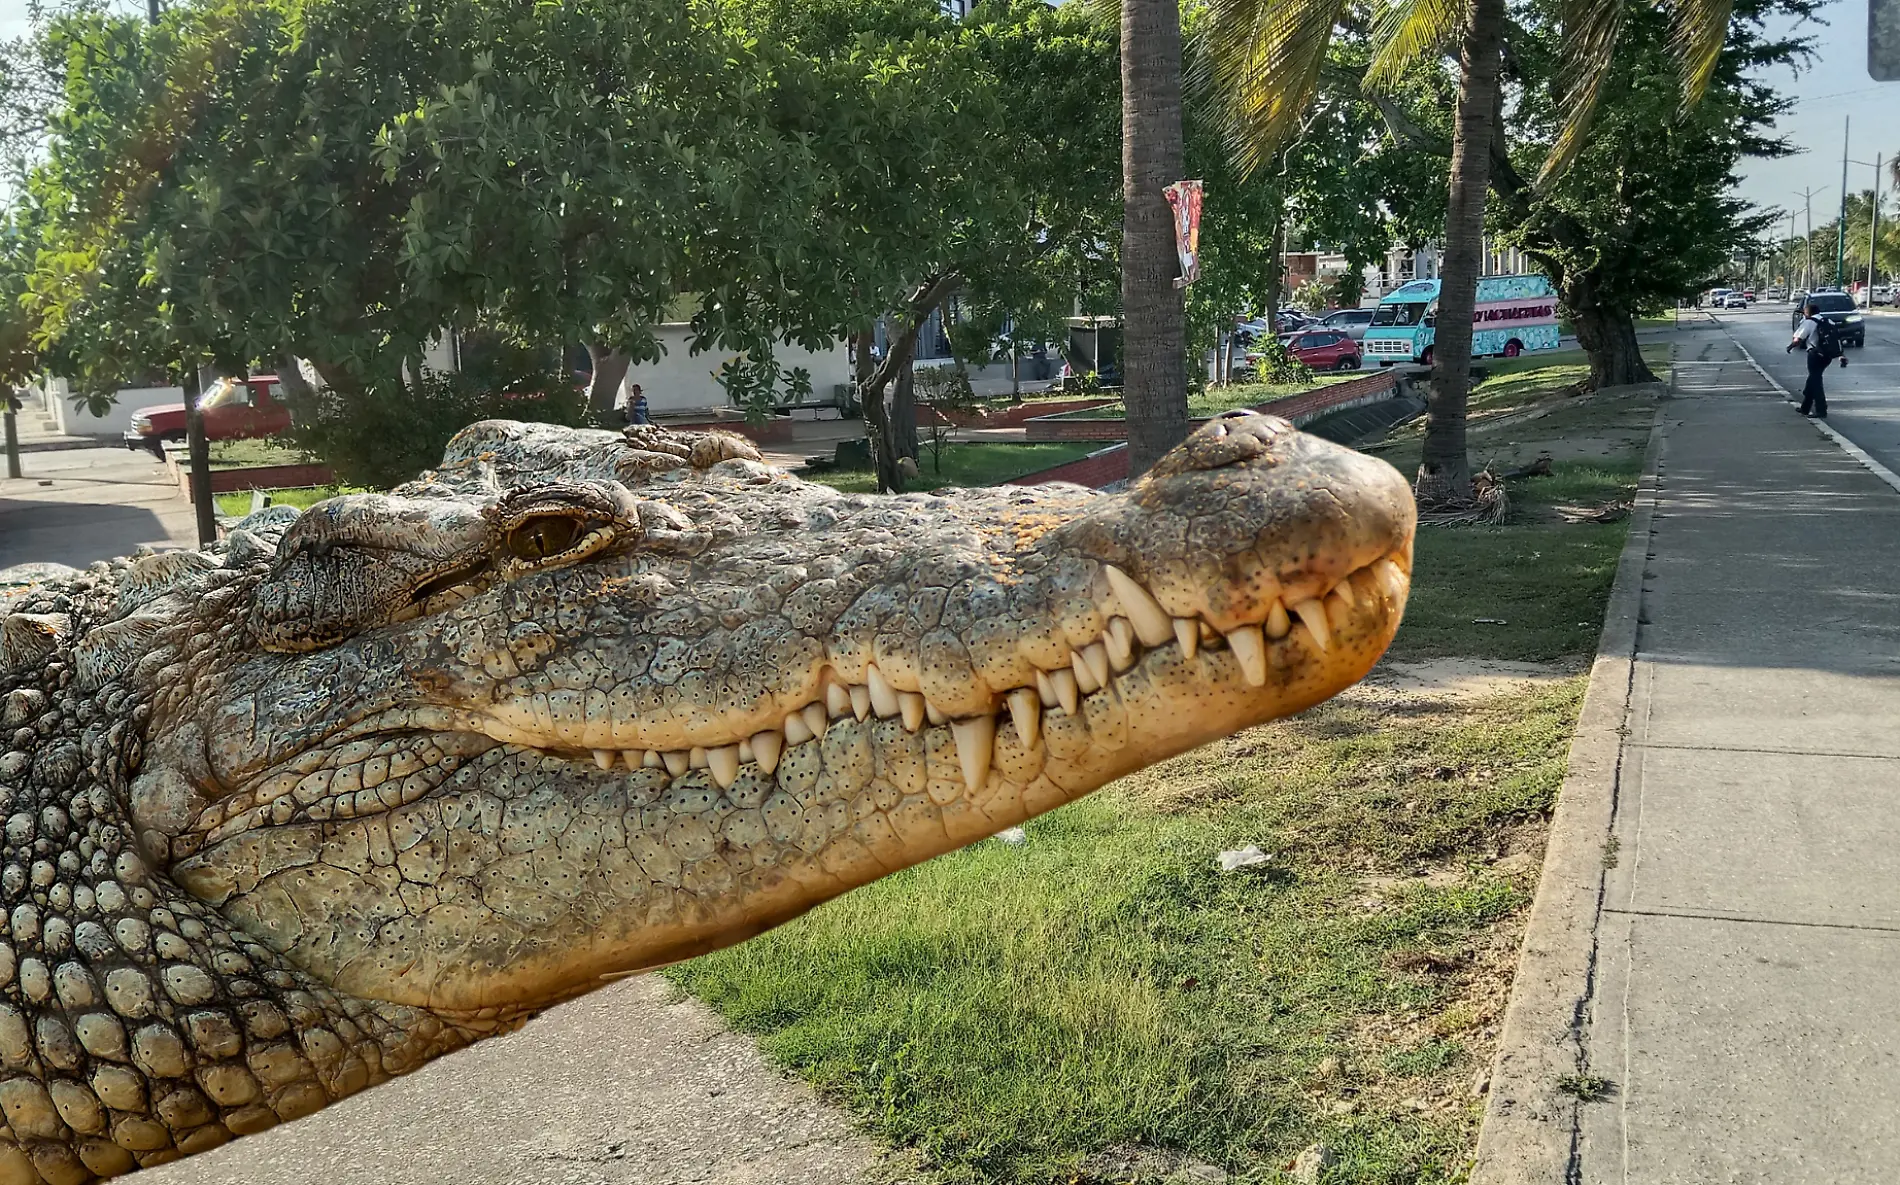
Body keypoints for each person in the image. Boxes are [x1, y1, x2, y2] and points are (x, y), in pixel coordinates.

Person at [1786, 302, 1844, 418]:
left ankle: (1821, 410)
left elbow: (1798, 339)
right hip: (1827, 356)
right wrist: (1841, 355)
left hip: (1815, 355)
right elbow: (1836, 339)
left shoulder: (1809, 322)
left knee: (1816, 382)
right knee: (1813, 379)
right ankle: (1805, 408)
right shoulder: (1828, 321)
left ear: (1807, 313)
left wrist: (1790, 346)